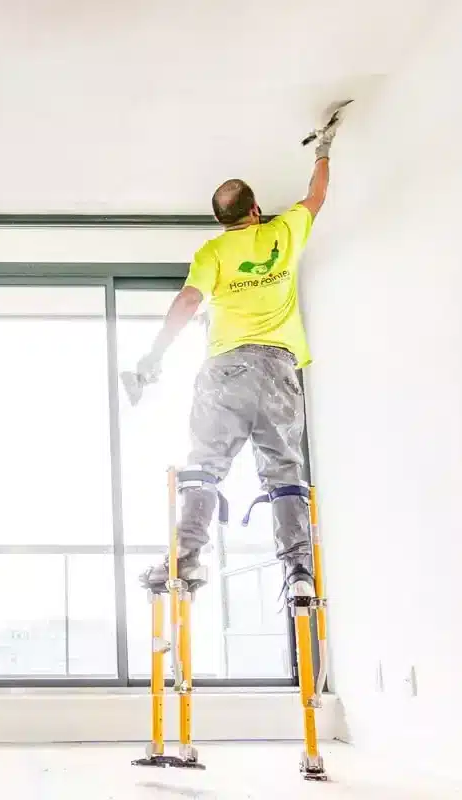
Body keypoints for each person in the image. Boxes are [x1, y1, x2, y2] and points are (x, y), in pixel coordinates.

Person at [135, 123, 338, 600]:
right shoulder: (285, 231)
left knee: (205, 466)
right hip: (279, 369)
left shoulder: (214, 251)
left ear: (220, 220)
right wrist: (323, 150)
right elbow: (317, 194)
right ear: (255, 210)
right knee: (284, 471)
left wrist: (155, 353)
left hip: (225, 369)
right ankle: (299, 572)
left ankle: (186, 557)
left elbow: (188, 301)